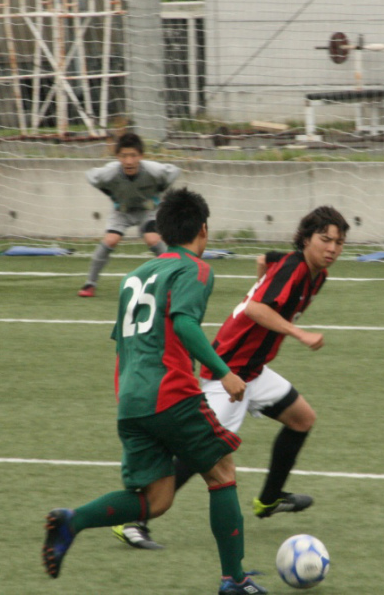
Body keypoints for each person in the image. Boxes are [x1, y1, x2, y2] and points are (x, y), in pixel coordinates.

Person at [43, 188, 269, 595]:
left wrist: (127, 401)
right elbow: (184, 324)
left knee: (157, 499)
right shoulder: (196, 269)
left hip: (131, 399)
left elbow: (122, 344)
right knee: (221, 472)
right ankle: (234, 580)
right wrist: (224, 373)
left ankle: (71, 521)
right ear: (203, 229)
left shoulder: (134, 277)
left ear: (162, 231)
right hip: (171, 393)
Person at [112, 205, 349, 551]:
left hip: (253, 370)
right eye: (324, 239)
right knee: (200, 451)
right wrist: (298, 333)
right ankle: (133, 520)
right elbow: (255, 309)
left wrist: (260, 278)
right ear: (306, 239)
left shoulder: (314, 273)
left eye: (339, 242)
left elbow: (267, 258)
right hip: (231, 370)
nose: (332, 248)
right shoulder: (296, 269)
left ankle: (269, 499)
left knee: (302, 419)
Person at [78, 132, 180, 297]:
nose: (129, 161)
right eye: (124, 156)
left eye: (133, 155)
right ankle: (90, 283)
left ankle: (175, 280)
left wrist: (159, 191)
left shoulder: (152, 169)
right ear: (118, 156)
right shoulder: (110, 172)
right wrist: (111, 194)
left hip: (149, 210)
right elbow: (91, 176)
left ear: (141, 155)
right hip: (122, 211)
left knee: (152, 239)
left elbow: (174, 171)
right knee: (111, 240)